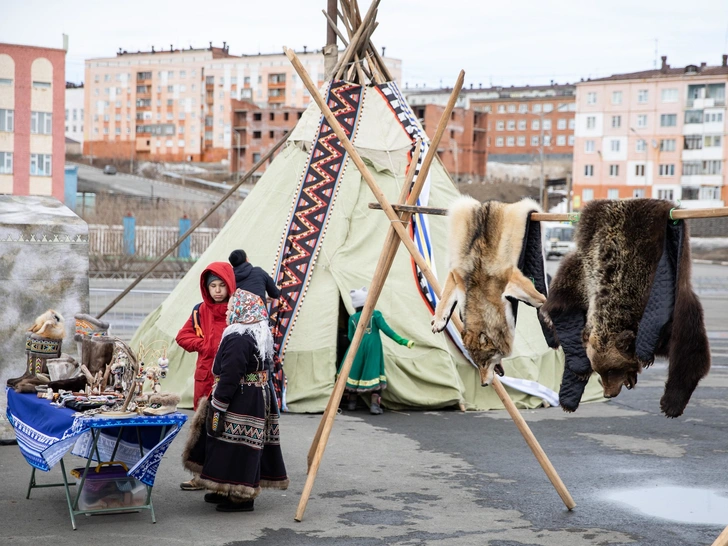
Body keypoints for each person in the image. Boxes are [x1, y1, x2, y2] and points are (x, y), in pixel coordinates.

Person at [182, 289, 289, 512]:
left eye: (232, 307)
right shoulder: (257, 333)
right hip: (254, 396)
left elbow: (231, 374)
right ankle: (227, 489)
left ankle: (241, 497)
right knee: (234, 445)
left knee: (237, 445)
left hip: (240, 398)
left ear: (242, 310)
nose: (229, 310)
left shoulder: (238, 337)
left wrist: (219, 403)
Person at [175, 261, 235, 491]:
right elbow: (182, 337)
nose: (218, 290)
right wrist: (206, 346)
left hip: (229, 379)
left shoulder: (237, 310)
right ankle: (200, 476)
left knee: (226, 427)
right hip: (205, 379)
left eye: (222, 285)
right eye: (213, 286)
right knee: (203, 429)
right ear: (206, 288)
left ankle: (225, 477)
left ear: (230, 285)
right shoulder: (200, 311)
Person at [338, 287, 414, 415]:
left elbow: (351, 337)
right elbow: (388, 331)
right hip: (373, 348)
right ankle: (374, 405)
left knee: (354, 372)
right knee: (373, 373)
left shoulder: (353, 318)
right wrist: (403, 341)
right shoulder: (376, 315)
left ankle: (352, 403)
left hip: (356, 348)